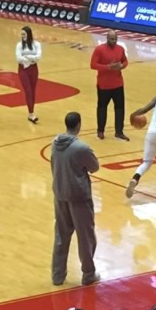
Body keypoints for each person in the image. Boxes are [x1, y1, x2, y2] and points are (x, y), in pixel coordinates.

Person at [49, 111, 100, 288]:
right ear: (78, 124)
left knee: (61, 236)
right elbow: (95, 167)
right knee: (85, 237)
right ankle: (88, 274)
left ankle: (57, 276)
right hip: (79, 196)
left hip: (60, 193)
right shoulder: (81, 148)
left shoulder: (54, 144)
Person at [90, 33, 129, 140]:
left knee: (120, 108)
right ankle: (100, 130)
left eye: (116, 39)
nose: (114, 41)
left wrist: (122, 65)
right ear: (107, 38)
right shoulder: (99, 49)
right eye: (112, 39)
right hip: (104, 85)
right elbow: (93, 65)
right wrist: (108, 67)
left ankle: (119, 132)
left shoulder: (120, 49)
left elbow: (125, 61)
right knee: (102, 108)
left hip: (118, 84)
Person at [15, 26, 42, 124]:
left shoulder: (36, 44)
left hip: (34, 69)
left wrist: (27, 56)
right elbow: (18, 58)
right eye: (21, 34)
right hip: (23, 69)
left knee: (33, 90)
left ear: (29, 34)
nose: (22, 36)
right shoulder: (19, 45)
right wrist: (31, 58)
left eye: (24, 34)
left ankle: (31, 111)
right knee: (28, 90)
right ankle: (31, 113)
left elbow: (38, 57)